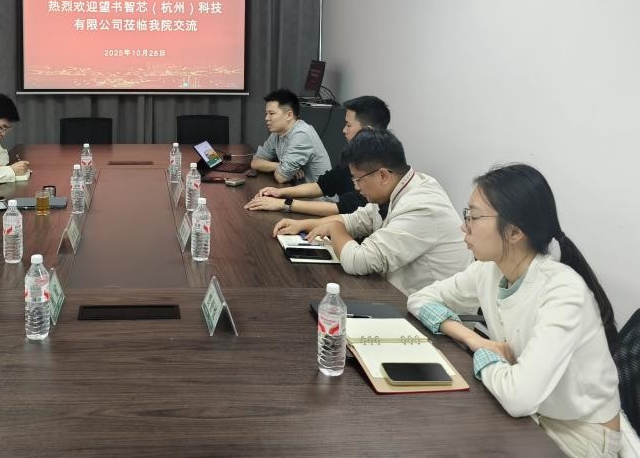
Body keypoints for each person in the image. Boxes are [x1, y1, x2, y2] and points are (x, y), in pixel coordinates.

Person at [407, 164, 621, 458]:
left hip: (580, 435)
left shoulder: (562, 290)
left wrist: (484, 355)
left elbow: (520, 397)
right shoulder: (489, 270)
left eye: (473, 216)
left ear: (514, 232)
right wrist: (474, 340)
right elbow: (419, 299)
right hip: (534, 413)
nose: (464, 226)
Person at [272, 128, 470, 294]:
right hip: (398, 295)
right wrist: (303, 224)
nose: (356, 187)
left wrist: (333, 227)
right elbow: (356, 220)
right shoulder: (398, 188)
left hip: (435, 317)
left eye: (358, 179)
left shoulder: (421, 206)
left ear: (383, 175)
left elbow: (358, 261)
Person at [246, 95, 390, 217]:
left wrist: (283, 203)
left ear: (367, 131)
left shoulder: (377, 167)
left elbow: (341, 208)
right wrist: (279, 192)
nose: (343, 130)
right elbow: (321, 185)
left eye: (348, 125)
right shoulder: (355, 156)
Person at [250, 89, 331, 184]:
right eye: (266, 114)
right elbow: (255, 162)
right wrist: (279, 166)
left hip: (316, 193)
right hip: (296, 188)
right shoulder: (277, 133)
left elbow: (281, 177)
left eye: (271, 113)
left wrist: (281, 168)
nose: (266, 118)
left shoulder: (301, 134)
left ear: (289, 115)